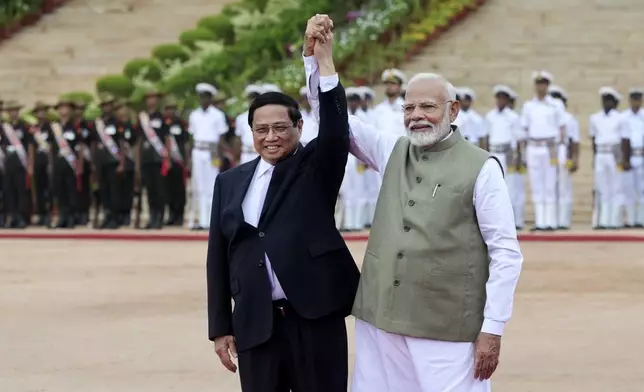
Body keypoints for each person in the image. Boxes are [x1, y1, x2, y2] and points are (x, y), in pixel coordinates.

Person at [304, 15, 523, 391]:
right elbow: (335, 120)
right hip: (379, 317)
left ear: (453, 111)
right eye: (409, 108)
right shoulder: (392, 150)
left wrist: (493, 328)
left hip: (446, 325)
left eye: (428, 107)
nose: (417, 116)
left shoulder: (482, 168)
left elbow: (506, 252)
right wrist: (320, 62)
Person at [207, 16, 359, 392]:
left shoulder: (313, 169)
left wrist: (323, 63)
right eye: (262, 130)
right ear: (251, 133)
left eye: (280, 128)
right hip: (256, 325)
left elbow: (337, 131)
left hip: (313, 318)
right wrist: (220, 328)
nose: (271, 137)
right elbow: (218, 257)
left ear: (299, 129)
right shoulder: (230, 182)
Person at [521, 71, 566, 231]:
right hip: (534, 147)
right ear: (535, 86)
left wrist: (560, 151)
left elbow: (562, 129)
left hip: (550, 148)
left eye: (544, 84)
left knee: (549, 185)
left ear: (548, 86)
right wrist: (524, 154)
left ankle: (550, 221)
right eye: (539, 84)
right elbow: (524, 132)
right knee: (536, 185)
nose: (541, 87)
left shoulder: (556, 105)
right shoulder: (528, 106)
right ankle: (540, 221)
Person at [187, 83, 229, 231]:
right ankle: (198, 220)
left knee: (211, 184)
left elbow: (221, 138)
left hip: (212, 149)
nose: (204, 100)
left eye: (206, 97)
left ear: (211, 99)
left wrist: (220, 156)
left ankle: (211, 221)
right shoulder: (194, 114)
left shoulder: (217, 115)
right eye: (202, 97)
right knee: (198, 185)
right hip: (198, 149)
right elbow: (191, 138)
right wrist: (188, 159)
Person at [137, 89, 171, 229]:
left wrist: (167, 158)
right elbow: (139, 141)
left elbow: (167, 139)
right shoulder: (142, 119)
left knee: (159, 190)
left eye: (154, 98)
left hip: (159, 159)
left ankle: (159, 217)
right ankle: (151, 216)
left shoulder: (163, 118)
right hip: (146, 159)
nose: (151, 101)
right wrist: (138, 163)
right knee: (149, 189)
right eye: (149, 98)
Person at [590, 87, 623, 229]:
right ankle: (602, 220)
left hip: (614, 154)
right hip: (601, 154)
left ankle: (614, 221)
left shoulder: (620, 118)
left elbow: (623, 140)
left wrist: (622, 159)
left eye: (609, 100)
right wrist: (594, 156)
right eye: (604, 100)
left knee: (615, 188)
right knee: (602, 188)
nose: (607, 103)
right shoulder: (595, 118)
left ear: (615, 102)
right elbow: (593, 139)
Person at [548, 85, 580, 229]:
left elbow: (574, 140)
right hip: (549, 151)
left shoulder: (569, 119)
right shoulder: (547, 116)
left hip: (563, 150)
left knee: (564, 187)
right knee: (550, 187)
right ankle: (551, 220)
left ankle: (563, 220)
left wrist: (573, 158)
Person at [1, 100, 34, 229]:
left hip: (21, 164)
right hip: (8, 164)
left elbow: (30, 147)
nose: (13, 113)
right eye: (11, 111)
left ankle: (22, 217)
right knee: (10, 192)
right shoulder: (4, 128)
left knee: (22, 192)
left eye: (15, 110)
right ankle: (13, 216)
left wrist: (30, 165)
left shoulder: (24, 127)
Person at [51, 100, 82, 229]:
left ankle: (71, 217)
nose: (63, 111)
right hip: (58, 164)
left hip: (71, 164)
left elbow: (80, 147)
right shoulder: (54, 127)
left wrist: (79, 165)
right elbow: (50, 147)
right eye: (61, 109)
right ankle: (62, 217)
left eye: (66, 108)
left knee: (71, 191)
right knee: (60, 192)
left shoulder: (75, 127)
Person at [92, 96, 122, 229]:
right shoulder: (97, 123)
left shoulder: (117, 122)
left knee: (114, 191)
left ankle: (114, 218)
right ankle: (107, 215)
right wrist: (94, 163)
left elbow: (122, 143)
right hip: (101, 162)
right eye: (104, 105)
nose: (107, 108)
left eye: (109, 105)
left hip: (114, 161)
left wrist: (122, 162)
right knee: (103, 191)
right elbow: (93, 143)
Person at [162, 97, 190, 226]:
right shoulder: (163, 124)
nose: (170, 111)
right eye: (168, 109)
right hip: (167, 162)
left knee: (180, 190)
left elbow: (186, 143)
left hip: (179, 161)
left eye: (172, 109)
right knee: (168, 189)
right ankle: (171, 214)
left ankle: (179, 214)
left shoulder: (181, 123)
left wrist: (187, 161)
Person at [620, 88, 644, 227]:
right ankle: (629, 219)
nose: (636, 102)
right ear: (630, 101)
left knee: (642, 189)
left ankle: (641, 219)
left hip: (642, 155)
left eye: (638, 100)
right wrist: (624, 159)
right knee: (628, 189)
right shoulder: (624, 117)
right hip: (629, 156)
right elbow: (623, 139)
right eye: (634, 100)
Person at [113, 99, 137, 226]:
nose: (121, 112)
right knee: (117, 191)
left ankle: (127, 214)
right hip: (115, 162)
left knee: (128, 191)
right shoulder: (114, 126)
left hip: (129, 163)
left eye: (123, 109)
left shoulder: (131, 126)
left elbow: (135, 143)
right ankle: (118, 214)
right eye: (118, 109)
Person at [31, 101, 54, 227]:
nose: (41, 113)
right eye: (39, 111)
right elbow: (31, 147)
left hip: (48, 161)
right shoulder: (33, 128)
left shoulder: (51, 127)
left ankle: (48, 214)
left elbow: (52, 145)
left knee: (48, 189)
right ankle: (40, 214)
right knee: (39, 189)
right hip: (37, 161)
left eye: (43, 111)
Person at [372, 68, 406, 136]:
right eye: (387, 83)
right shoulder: (378, 109)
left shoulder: (406, 108)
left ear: (400, 86)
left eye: (393, 83)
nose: (389, 86)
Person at [236, 85, 264, 163]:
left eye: (256, 97)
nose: (253, 100)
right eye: (251, 97)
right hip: (246, 154)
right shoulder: (241, 118)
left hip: (261, 154)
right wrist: (236, 158)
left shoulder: (266, 117)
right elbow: (238, 139)